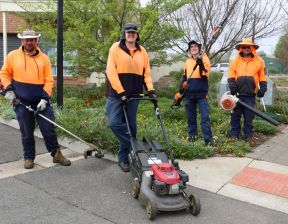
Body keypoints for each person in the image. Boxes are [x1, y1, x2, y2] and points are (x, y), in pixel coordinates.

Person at [0, 29, 71, 169]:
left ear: (36, 41)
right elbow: (4, 73)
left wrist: (45, 99)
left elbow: (49, 80)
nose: (29, 42)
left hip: (41, 102)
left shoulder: (44, 58)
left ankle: (56, 154)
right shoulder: (12, 56)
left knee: (48, 128)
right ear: (22, 41)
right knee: (26, 131)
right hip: (21, 102)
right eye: (27, 40)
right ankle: (29, 157)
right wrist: (9, 90)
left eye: (32, 39)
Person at [106, 23, 156, 172]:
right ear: (124, 34)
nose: (131, 34)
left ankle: (123, 159)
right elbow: (111, 71)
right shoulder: (115, 48)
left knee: (131, 127)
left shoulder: (143, 52)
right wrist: (121, 92)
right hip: (116, 95)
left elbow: (146, 74)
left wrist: (151, 90)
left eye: (133, 32)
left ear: (137, 35)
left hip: (134, 96)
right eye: (128, 32)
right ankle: (136, 147)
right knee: (114, 123)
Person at [228, 37, 267, 144]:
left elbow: (263, 76)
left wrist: (263, 88)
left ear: (252, 48)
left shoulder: (259, 61)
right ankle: (234, 134)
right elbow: (231, 74)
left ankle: (248, 136)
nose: (245, 49)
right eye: (243, 47)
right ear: (241, 48)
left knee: (249, 117)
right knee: (235, 116)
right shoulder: (235, 60)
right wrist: (232, 86)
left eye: (248, 47)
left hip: (250, 95)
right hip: (237, 95)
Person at [182, 40, 214, 145]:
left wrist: (201, 66)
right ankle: (192, 137)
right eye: (191, 47)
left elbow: (205, 75)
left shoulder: (205, 59)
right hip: (189, 94)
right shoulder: (187, 62)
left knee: (205, 118)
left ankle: (208, 140)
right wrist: (182, 89)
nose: (193, 48)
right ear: (189, 49)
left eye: (195, 46)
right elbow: (184, 77)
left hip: (201, 93)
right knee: (191, 118)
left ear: (199, 48)